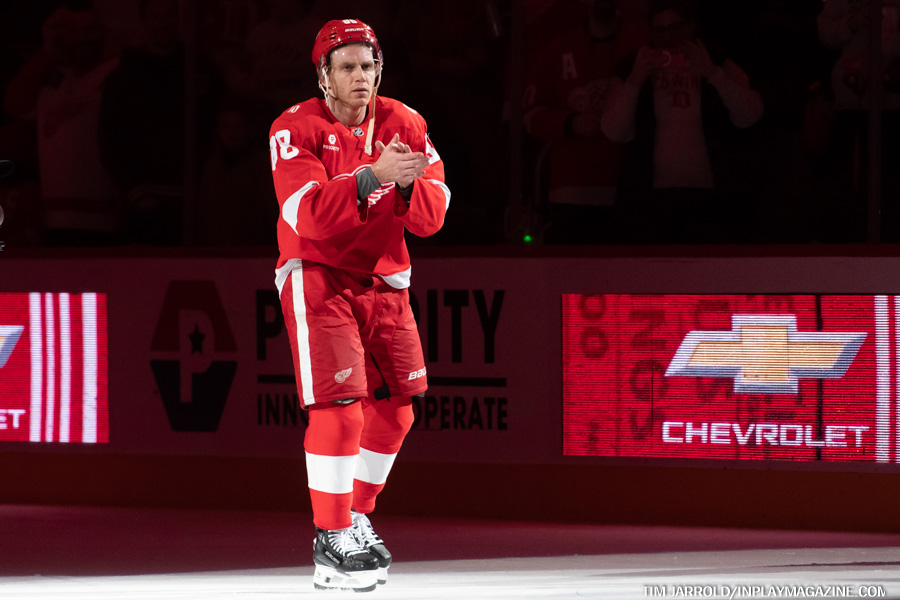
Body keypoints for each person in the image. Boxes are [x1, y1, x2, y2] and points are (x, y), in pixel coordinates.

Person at [268, 18, 450, 592]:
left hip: (386, 279)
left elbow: (433, 215)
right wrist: (375, 175)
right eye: (346, 67)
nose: (360, 76)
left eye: (368, 66)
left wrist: (405, 185)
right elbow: (307, 215)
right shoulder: (293, 128)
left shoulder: (407, 123)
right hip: (317, 275)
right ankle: (331, 533)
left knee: (398, 410)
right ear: (323, 76)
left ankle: (356, 517)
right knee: (341, 409)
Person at [601, 0, 763, 243]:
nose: (668, 37)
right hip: (650, 200)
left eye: (675, 28)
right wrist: (634, 81)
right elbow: (614, 131)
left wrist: (713, 74)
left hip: (713, 200)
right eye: (660, 30)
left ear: (690, 26)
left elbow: (750, 115)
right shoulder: (632, 68)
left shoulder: (718, 61)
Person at [523, 0, 646, 244]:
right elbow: (530, 115)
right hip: (571, 187)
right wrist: (570, 122)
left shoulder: (638, 45)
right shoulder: (560, 48)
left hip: (626, 185)